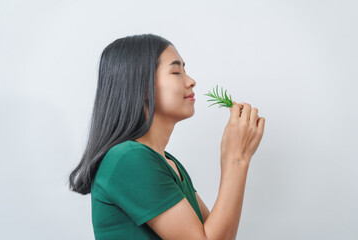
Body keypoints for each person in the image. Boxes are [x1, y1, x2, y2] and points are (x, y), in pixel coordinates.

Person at [68, 33, 265, 240]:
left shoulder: (168, 163)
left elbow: (216, 233)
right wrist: (237, 158)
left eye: (185, 70)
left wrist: (229, 153)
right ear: (142, 87)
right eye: (176, 71)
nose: (191, 81)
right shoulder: (128, 158)